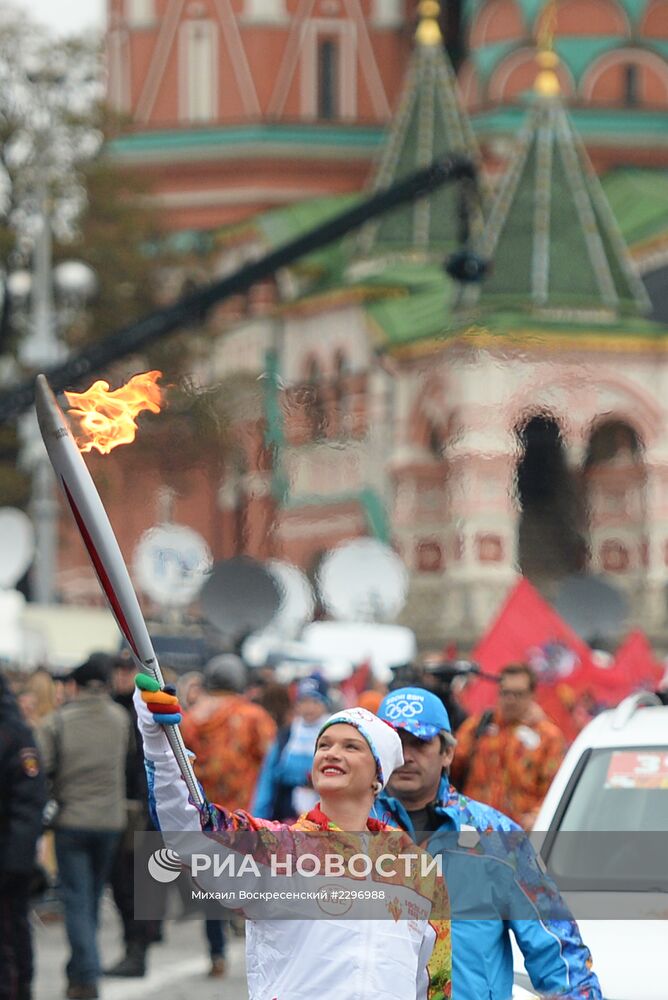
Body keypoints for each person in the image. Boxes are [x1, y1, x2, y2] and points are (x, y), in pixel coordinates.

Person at [134, 674, 451, 999]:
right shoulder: (280, 850)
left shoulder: (416, 871)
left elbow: (434, 985)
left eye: (351, 746)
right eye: (324, 745)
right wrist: (160, 745)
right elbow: (191, 830)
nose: (331, 753)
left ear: (378, 776)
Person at [373, 686, 602, 1000]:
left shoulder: (496, 836)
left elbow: (557, 952)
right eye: (396, 743)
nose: (406, 756)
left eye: (420, 742)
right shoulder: (345, 833)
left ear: (447, 752)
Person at [37, 654, 130, 1000]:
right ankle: (79, 971)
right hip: (110, 820)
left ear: (75, 685)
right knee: (90, 898)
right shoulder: (120, 718)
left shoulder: (59, 721)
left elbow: (42, 767)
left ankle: (86, 975)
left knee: (76, 898)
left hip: (72, 820)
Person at [179, 653, 277, 977]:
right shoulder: (253, 717)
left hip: (206, 816)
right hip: (246, 816)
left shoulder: (191, 718)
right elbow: (271, 761)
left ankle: (216, 952)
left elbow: (181, 764)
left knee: (211, 883)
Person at [451, 663, 566, 828]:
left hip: (519, 833)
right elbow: (452, 763)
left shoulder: (548, 736)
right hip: (475, 827)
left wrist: (537, 816)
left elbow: (556, 787)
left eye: (518, 694)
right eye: (505, 693)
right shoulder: (479, 725)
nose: (510, 700)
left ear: (532, 694)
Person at [0, 673, 47, 1000]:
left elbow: (28, 801)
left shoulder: (13, 734)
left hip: (7, 859)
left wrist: (16, 863)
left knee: (10, 936)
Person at [252, 674, 331, 820]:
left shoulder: (334, 735)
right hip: (285, 817)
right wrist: (259, 817)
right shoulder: (287, 735)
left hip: (325, 817)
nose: (309, 707)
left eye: (315, 701)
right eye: (304, 701)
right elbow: (267, 778)